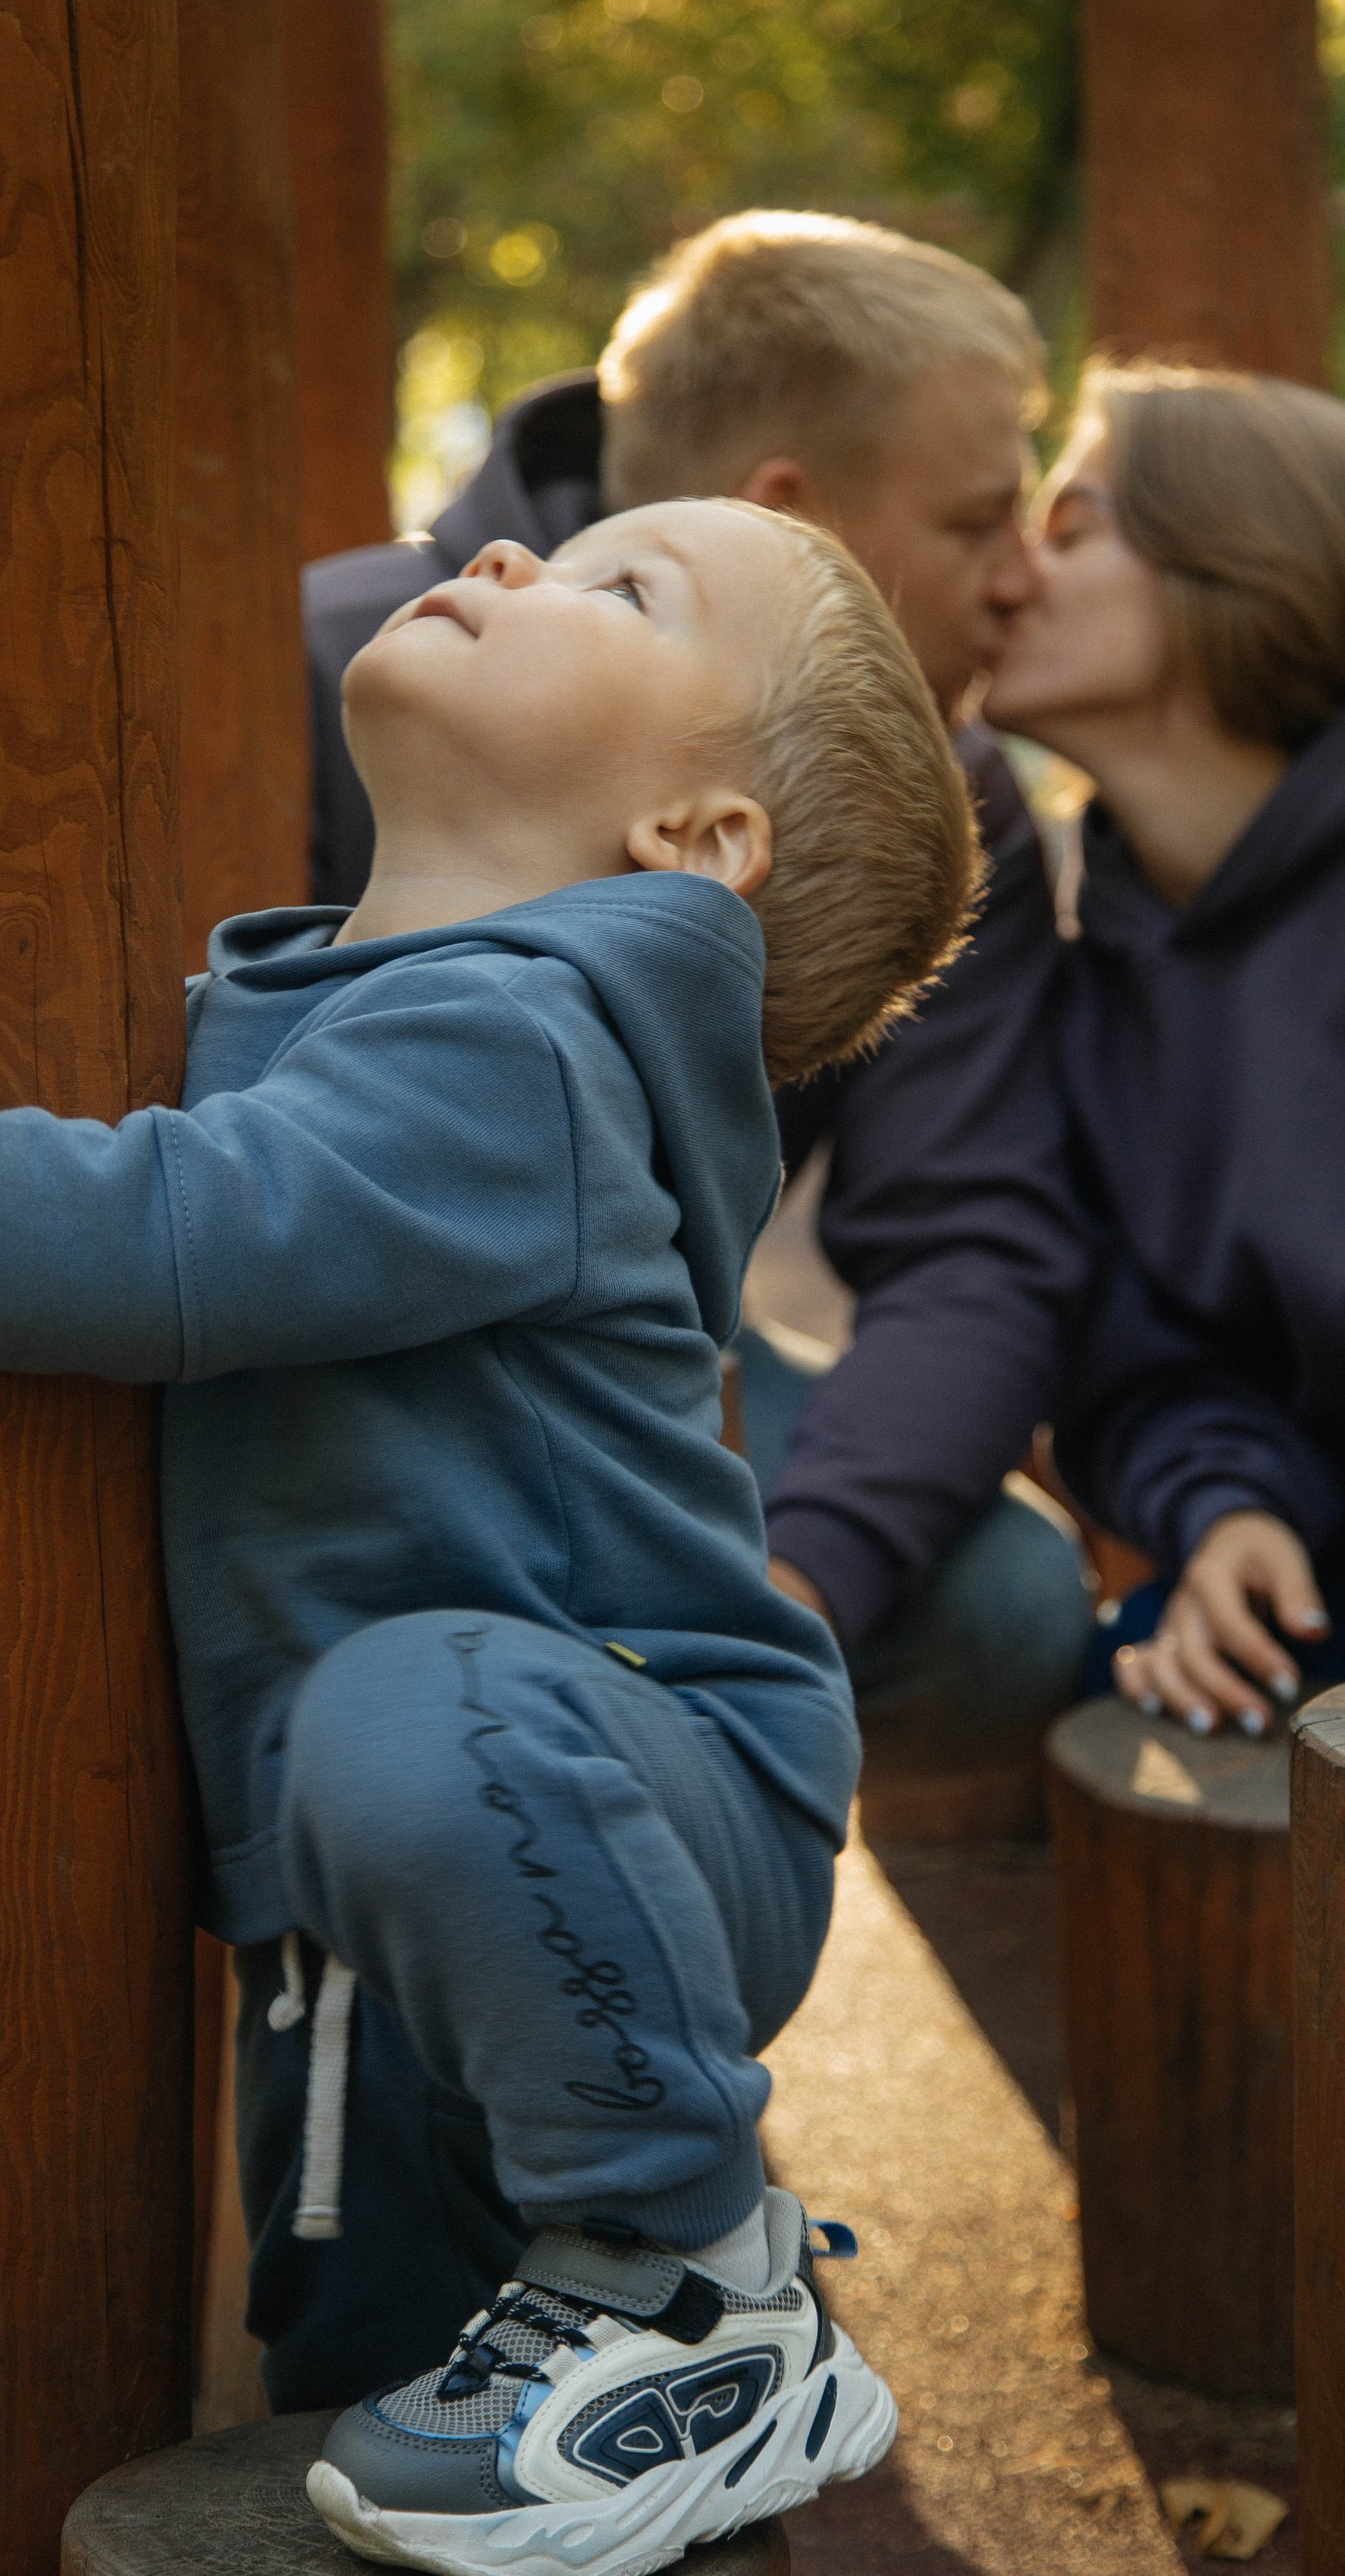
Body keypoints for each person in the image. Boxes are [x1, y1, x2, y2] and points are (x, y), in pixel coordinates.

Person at [0, 499, 978, 2570]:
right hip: (398, 1874)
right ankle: (637, 2367)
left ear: (697, 841)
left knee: (405, 1708)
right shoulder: (386, 1003)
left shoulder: (533, 1043)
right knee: (389, 2417)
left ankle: (703, 2275)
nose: (509, 554)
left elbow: (172, 1234)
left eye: (618, 588)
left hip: (608, 1774)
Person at [306, 213, 1094, 1799]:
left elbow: (978, 1244)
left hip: (621, 1353)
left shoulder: (954, 799)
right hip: (274, 1303)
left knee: (1007, 1603)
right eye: (975, 522)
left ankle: (642, 1831)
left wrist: (780, 1600)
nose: (1027, 580)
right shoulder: (354, 672)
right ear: (790, 522)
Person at [985, 363, 1345, 1738]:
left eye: (1070, 532)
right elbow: (1143, 1342)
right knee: (1132, 1691)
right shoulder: (1103, 941)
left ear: (1241, 560)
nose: (1011, 576)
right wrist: (1231, 1512)